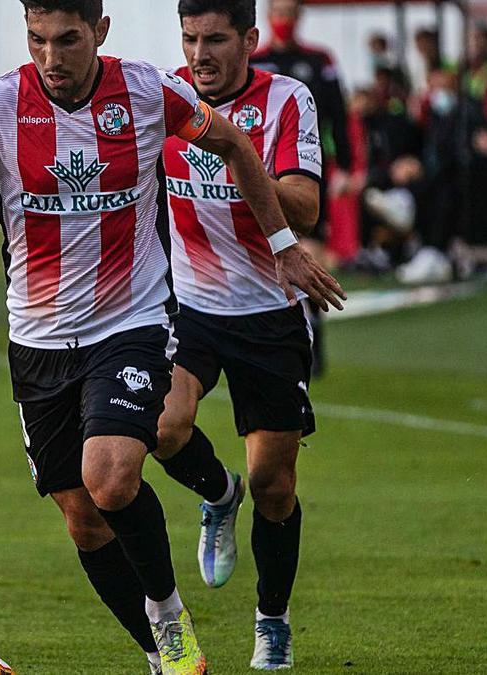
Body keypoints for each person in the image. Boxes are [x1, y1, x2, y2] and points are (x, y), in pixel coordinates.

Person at [0, 2, 345, 673]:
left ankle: (174, 616)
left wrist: (283, 245)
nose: (52, 58)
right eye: (37, 40)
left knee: (117, 471)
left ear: (99, 32)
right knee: (83, 515)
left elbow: (236, 143)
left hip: (131, 321)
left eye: (67, 40)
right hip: (38, 336)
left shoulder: (148, 91)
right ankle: (162, 652)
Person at [155, 0, 337, 668]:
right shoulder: (163, 94)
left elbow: (307, 206)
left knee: (275, 486)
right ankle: (215, 493)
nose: (201, 55)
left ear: (251, 40)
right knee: (162, 427)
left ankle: (272, 620)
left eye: (217, 40)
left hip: (270, 313)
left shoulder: (287, 100)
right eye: (190, 39)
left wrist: (236, 149)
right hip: (190, 307)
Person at [250, 0, 351, 377]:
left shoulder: (320, 60)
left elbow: (339, 117)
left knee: (312, 259)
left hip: (308, 174)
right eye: (279, 12)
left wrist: (348, 167)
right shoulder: (254, 63)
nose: (285, 20)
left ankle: (314, 344)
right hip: (263, 177)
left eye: (290, 13)